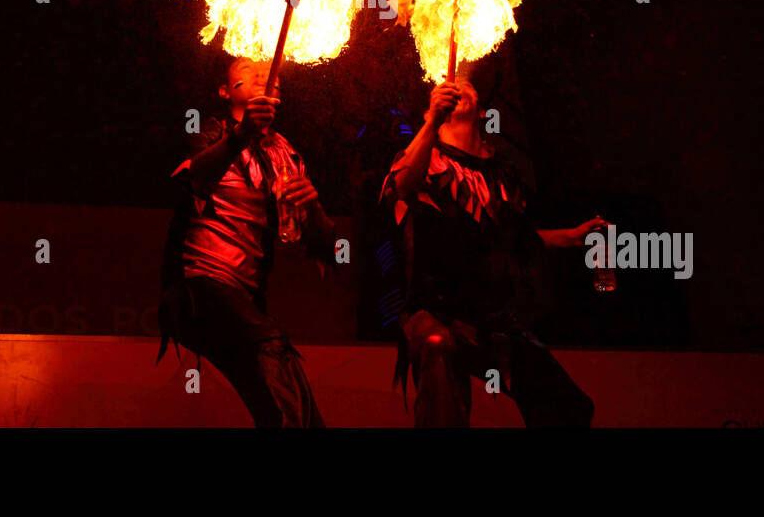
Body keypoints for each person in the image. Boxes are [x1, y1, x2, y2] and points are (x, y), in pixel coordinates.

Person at [380, 75, 605, 427]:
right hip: (431, 312)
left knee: (570, 406)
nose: (458, 86)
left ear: (482, 112)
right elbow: (404, 185)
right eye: (447, 88)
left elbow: (519, 240)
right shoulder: (425, 158)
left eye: (468, 87)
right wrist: (432, 124)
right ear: (432, 110)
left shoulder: (502, 174)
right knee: (439, 343)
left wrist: (573, 237)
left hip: (491, 319)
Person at [156, 56, 337, 427]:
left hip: (246, 300)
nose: (262, 73)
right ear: (225, 91)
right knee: (271, 343)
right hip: (199, 288)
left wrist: (313, 205)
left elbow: (324, 248)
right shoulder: (211, 132)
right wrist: (240, 135)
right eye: (247, 71)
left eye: (267, 72)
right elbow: (198, 180)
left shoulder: (287, 154)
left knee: (271, 395)